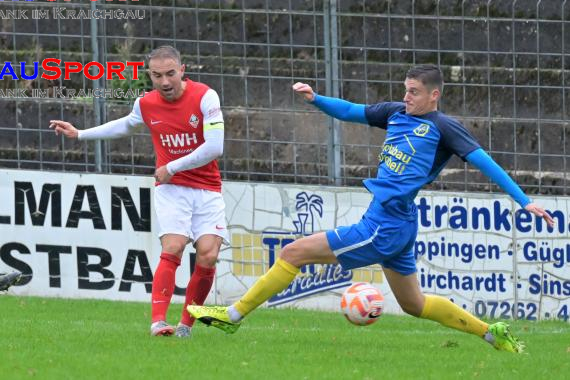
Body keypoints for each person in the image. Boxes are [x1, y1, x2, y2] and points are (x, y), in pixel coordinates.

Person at [187, 64, 554, 353]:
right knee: (414, 304)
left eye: (414, 92)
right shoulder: (396, 113)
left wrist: (524, 201)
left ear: (434, 95)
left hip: (386, 226)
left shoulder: (444, 128)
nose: (406, 97)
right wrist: (317, 99)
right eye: (405, 90)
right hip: (395, 222)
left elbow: (484, 162)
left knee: (293, 252)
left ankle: (232, 315)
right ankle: (492, 334)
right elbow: (351, 111)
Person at [49, 45, 228, 338]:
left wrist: (172, 166)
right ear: (150, 75)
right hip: (172, 190)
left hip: (207, 188)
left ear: (182, 70)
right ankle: (158, 322)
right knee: (173, 247)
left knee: (208, 256)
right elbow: (125, 126)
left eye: (170, 74)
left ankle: (186, 326)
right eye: (157, 76)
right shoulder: (146, 104)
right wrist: (80, 134)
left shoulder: (206, 97)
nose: (165, 82)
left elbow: (214, 147)